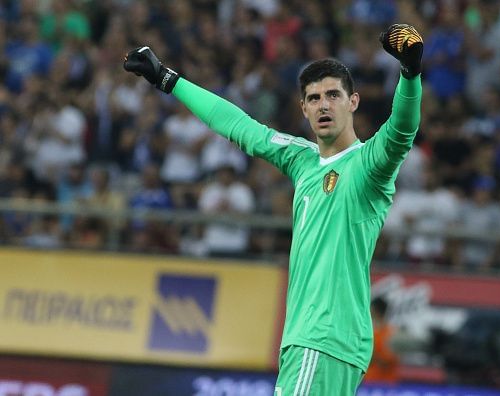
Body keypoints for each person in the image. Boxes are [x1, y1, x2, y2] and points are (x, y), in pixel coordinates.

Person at [123, 23, 423, 395]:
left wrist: (409, 74)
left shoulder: (367, 165)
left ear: (353, 102)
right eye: (314, 98)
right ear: (303, 108)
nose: (323, 105)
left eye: (333, 95)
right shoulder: (303, 160)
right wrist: (169, 80)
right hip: (318, 340)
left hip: (323, 336)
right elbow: (241, 128)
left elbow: (401, 131)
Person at [364, 297, 400, 384]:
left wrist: (371, 357)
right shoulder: (368, 332)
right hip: (367, 384)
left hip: (386, 386)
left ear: (376, 311)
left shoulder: (391, 334)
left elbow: (388, 362)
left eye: (371, 310)